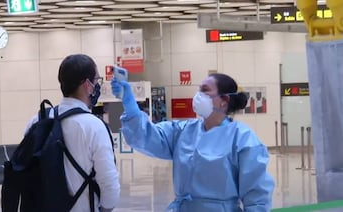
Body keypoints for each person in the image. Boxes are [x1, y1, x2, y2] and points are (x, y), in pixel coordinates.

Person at [111, 71, 274, 211]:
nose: (198, 95)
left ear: (224, 100)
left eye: (205, 90)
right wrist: (130, 106)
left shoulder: (242, 139)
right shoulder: (183, 130)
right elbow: (146, 136)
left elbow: (256, 196)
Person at [25, 54, 120, 212]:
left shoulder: (37, 121)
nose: (98, 85)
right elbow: (109, 183)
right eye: (97, 80)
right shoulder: (94, 127)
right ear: (87, 85)